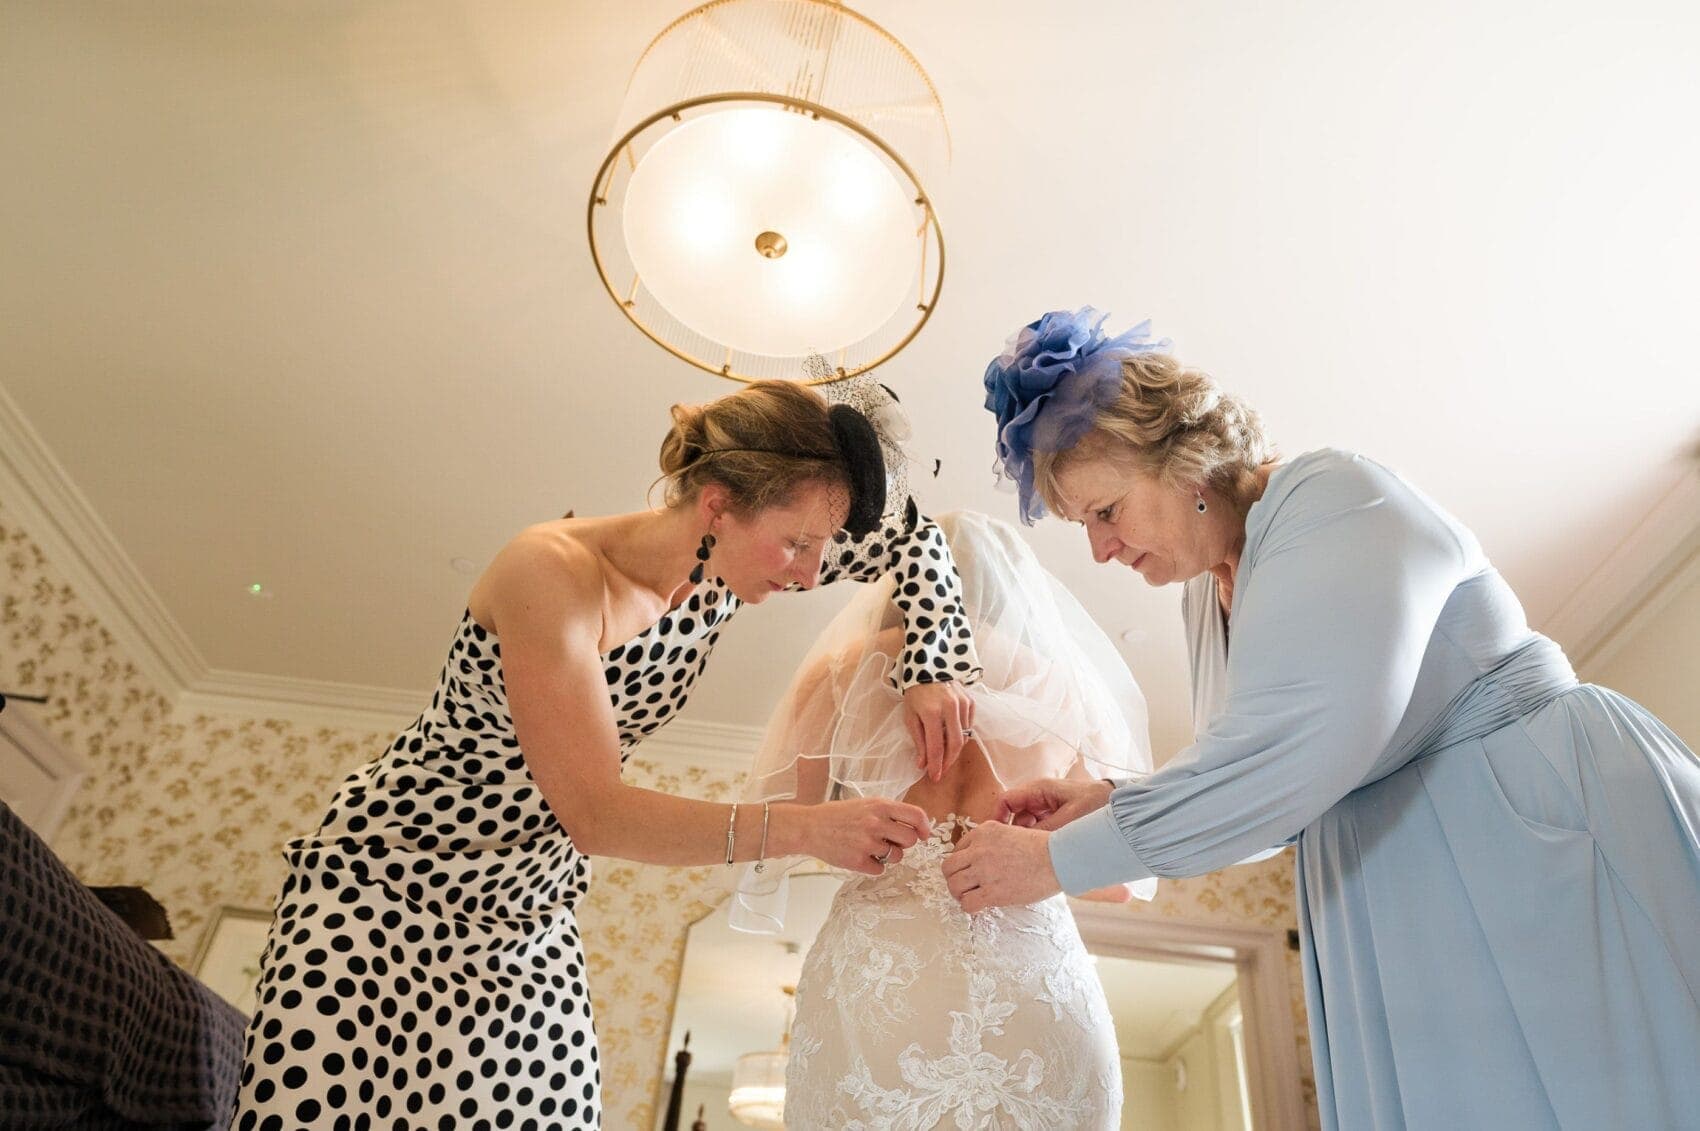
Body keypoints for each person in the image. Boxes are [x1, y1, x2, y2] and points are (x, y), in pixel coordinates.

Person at [944, 308, 1700, 1129]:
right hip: (1399, 875)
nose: (1099, 549)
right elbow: (1271, 780)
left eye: (1105, 511)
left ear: (1185, 461)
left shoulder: (1337, 497)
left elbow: (1283, 761)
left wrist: (1059, 858)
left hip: (1526, 822)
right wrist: (1112, 797)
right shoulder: (1208, 590)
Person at [231, 378, 983, 1130]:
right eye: (797, 543)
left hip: (530, 908)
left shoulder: (717, 573)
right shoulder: (550, 572)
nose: (813, 572)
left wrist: (932, 664)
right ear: (717, 505)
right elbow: (595, 813)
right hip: (386, 887)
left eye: (820, 547)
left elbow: (918, 540)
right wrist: (808, 827)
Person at [732, 509, 1153, 1130]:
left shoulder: (840, 675)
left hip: (883, 969)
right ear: (1016, 589)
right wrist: (1038, 854)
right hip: (1029, 973)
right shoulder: (1065, 690)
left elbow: (799, 831)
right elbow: (1117, 880)